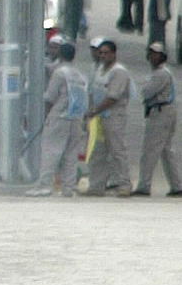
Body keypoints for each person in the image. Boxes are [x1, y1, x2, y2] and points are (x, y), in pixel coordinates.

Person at [32, 42, 85, 196]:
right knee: (71, 154)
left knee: (51, 151)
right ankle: (68, 187)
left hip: (59, 117)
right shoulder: (79, 75)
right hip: (75, 118)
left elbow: (50, 97)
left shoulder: (60, 73)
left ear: (61, 54)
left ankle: (44, 186)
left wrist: (46, 116)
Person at [86, 37, 137, 196]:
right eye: (100, 53)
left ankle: (124, 184)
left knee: (117, 150)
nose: (102, 56)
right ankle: (96, 186)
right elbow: (93, 92)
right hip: (100, 117)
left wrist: (95, 110)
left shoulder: (119, 72)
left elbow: (112, 97)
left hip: (114, 116)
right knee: (98, 152)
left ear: (114, 54)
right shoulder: (100, 70)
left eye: (106, 53)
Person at [138, 42, 180, 196]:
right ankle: (177, 185)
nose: (152, 57)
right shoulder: (158, 73)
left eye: (156, 54)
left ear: (162, 56)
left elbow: (146, 92)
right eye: (151, 53)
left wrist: (145, 87)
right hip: (162, 111)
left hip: (161, 111)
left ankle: (144, 185)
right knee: (167, 151)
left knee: (150, 150)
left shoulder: (161, 74)